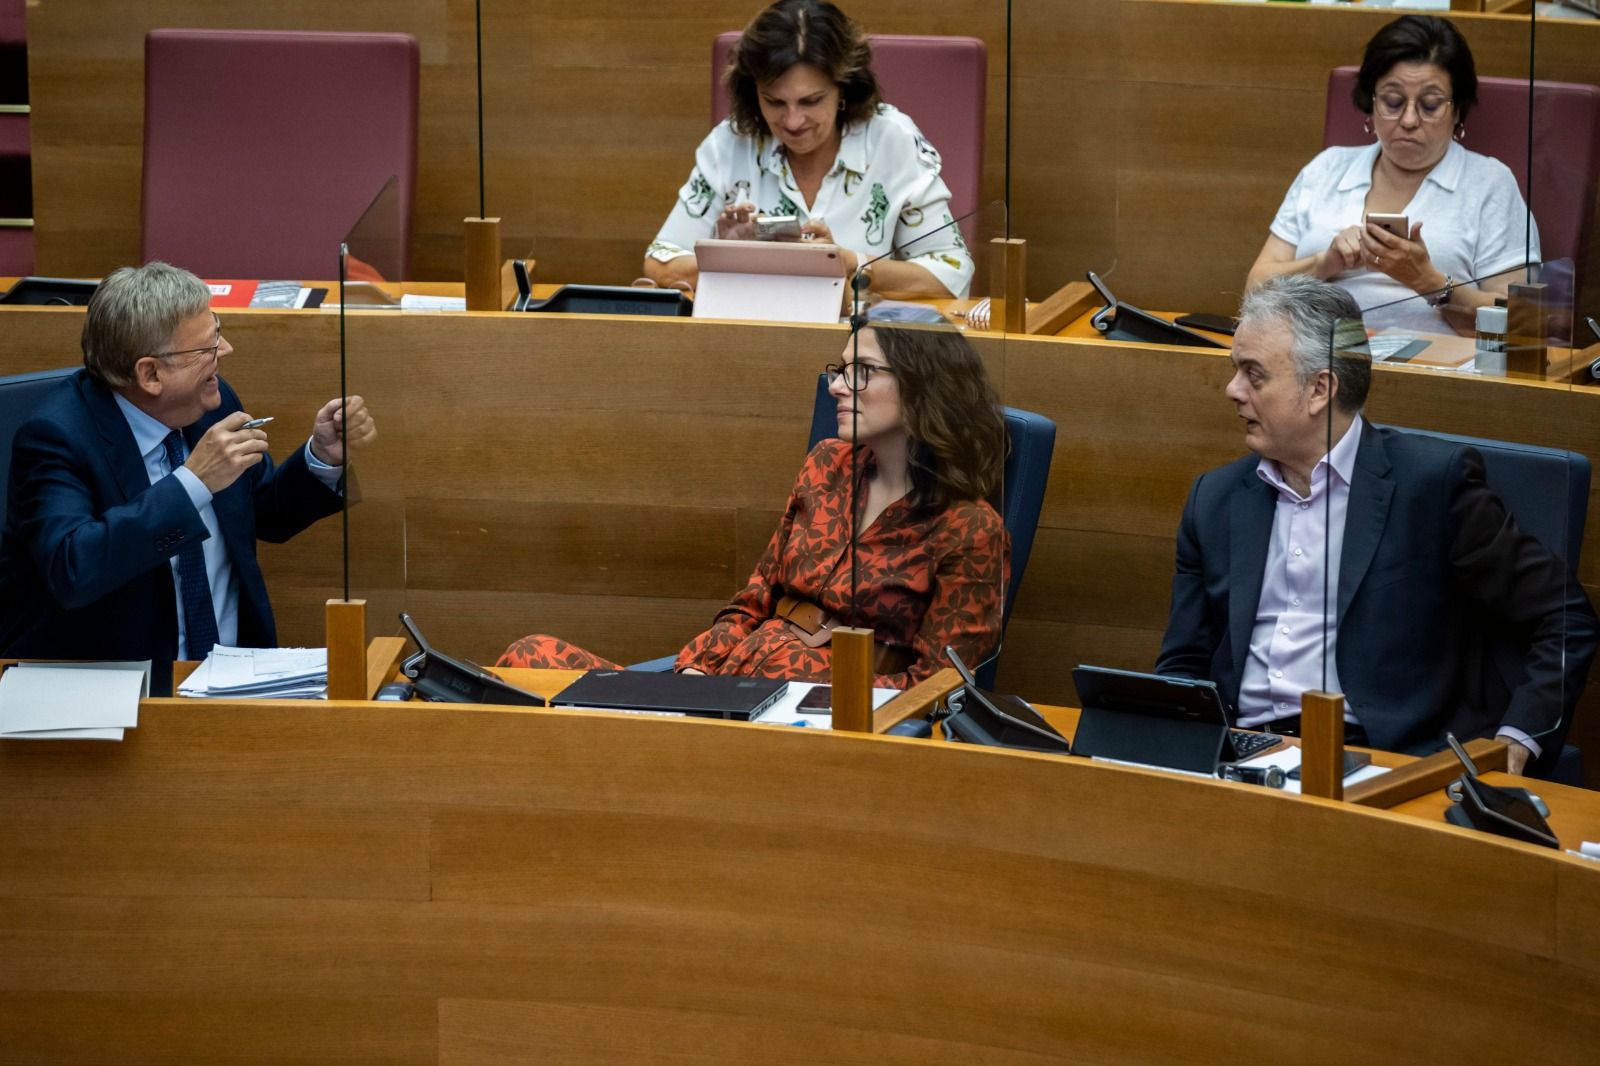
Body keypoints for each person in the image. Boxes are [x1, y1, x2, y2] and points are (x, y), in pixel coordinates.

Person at [1155, 275, 1596, 775]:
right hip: (1241, 758)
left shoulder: (1432, 486)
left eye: (1253, 375)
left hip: (1386, 763)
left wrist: (1517, 739)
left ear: (1320, 389)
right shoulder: (1213, 500)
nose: (1232, 391)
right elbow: (1183, 668)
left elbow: (1565, 618)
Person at [499, 319, 1008, 689]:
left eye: (862, 372)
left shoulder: (970, 528)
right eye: (839, 369)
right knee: (527, 659)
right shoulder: (827, 464)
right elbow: (755, 599)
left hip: (811, 717)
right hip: (730, 680)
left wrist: (800, 678)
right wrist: (701, 664)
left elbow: (941, 690)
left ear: (924, 392)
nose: (836, 386)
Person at [0, 262, 377, 695]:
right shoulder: (56, 438)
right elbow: (73, 568)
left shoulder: (211, 402)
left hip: (235, 679)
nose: (226, 350)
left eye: (217, 332)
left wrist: (321, 458)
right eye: (208, 347)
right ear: (150, 374)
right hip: (117, 696)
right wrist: (192, 483)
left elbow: (262, 510)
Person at [643, 0, 974, 299]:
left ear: (843, 88)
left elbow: (952, 274)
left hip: (864, 352)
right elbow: (660, 261)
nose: (792, 120)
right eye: (774, 101)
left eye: (811, 101)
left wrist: (849, 263)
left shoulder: (892, 139)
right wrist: (732, 255)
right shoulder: (732, 141)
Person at [1245, 15, 1537, 335]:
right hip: (1314, 363)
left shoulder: (1490, 184)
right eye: (1393, 101)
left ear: (1457, 111)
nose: (1409, 119)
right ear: (1370, 105)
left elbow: (1520, 324)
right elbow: (1254, 293)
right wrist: (1324, 264)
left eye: (1430, 105)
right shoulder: (1327, 168)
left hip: (1434, 373)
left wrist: (1428, 282)